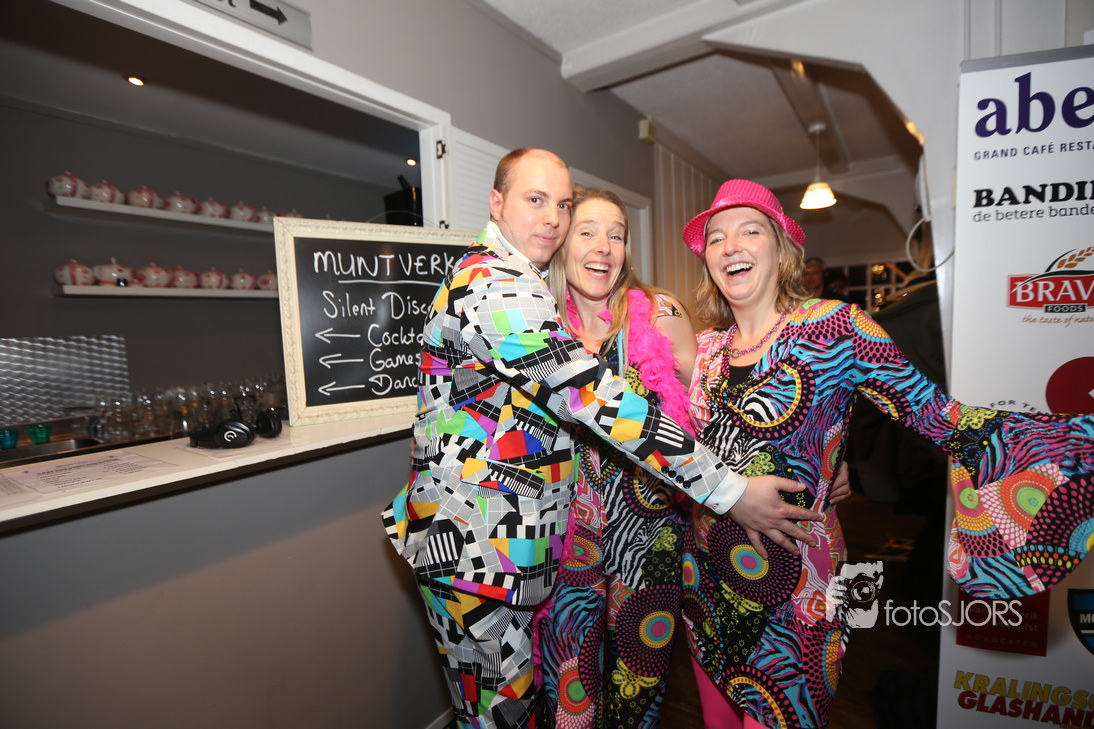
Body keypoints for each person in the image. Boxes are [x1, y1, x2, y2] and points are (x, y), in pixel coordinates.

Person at [381, 153, 821, 729]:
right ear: (496, 203)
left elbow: (708, 398)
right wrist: (729, 490)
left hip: (514, 549)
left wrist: (814, 443)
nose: (552, 218)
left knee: (522, 709)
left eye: (562, 204)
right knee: (500, 714)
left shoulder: (521, 281)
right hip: (474, 552)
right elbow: (591, 396)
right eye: (536, 200)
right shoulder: (494, 284)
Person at [676, 179, 1094, 729]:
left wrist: (1074, 443)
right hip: (705, 574)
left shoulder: (836, 326)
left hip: (801, 580)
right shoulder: (706, 349)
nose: (730, 245)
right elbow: (690, 447)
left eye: (750, 231)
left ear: (782, 249)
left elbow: (935, 414)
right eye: (716, 238)